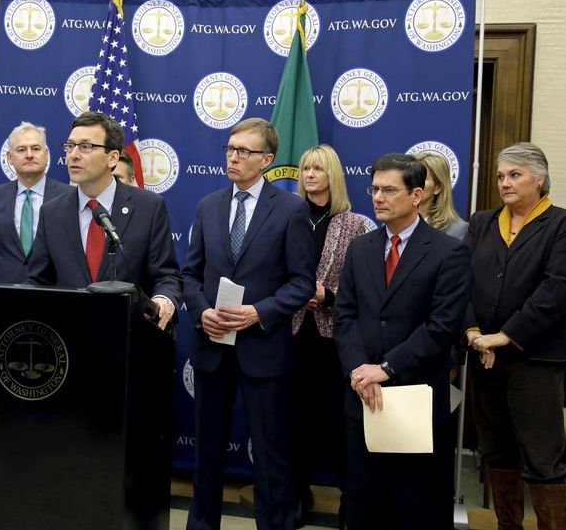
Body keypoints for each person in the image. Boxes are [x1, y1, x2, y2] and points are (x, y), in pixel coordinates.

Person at [183, 117, 315, 530]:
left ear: (267, 159)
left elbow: (302, 283)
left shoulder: (291, 209)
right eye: (230, 149)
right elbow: (190, 274)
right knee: (207, 450)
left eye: (244, 151)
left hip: (264, 349)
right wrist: (201, 311)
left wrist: (260, 312)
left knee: (272, 453)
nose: (233, 157)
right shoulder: (208, 205)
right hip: (212, 345)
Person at [334, 153, 470, 530]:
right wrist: (360, 371)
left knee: (416, 505)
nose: (378, 197)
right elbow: (344, 317)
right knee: (362, 503)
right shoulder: (360, 248)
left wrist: (386, 368)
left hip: (415, 395)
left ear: (417, 195)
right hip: (362, 395)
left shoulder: (448, 251)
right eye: (374, 189)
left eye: (389, 190)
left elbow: (441, 326)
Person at [465, 142, 566, 530]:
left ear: (540, 178)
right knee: (497, 452)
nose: (505, 182)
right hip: (483, 356)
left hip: (536, 360)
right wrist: (472, 331)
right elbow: (461, 282)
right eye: (501, 175)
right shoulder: (482, 222)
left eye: (515, 175)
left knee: (541, 458)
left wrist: (505, 335)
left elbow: (558, 290)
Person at [26, 111, 181, 330]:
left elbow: (166, 275)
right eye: (70, 146)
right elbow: (38, 280)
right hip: (68, 336)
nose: (74, 155)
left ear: (113, 158)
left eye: (86, 147)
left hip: (129, 335)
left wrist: (164, 299)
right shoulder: (51, 212)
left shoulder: (149, 207)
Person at [290, 144, 365, 528]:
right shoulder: (289, 215)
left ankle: (350, 502)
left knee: (340, 425)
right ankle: (296, 497)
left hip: (334, 340)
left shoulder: (356, 224)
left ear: (332, 174)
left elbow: (366, 287)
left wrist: (328, 296)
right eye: (305, 168)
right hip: (292, 335)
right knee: (295, 422)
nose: (309, 175)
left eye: (317, 168)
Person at [0, 122, 72, 284]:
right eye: (21, 150)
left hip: (53, 291)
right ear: (10, 158)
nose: (29, 155)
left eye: (36, 149)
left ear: (46, 154)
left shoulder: (69, 196)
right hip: (5, 291)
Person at [415, 151, 468, 239]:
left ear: (438, 187)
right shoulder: (395, 222)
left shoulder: (456, 230)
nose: (413, 183)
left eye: (421, 178)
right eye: (411, 177)